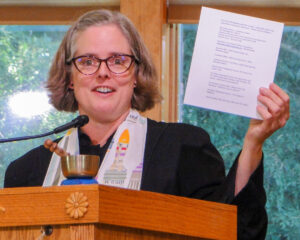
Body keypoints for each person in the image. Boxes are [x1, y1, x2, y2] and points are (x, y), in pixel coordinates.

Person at [4, 9, 289, 240]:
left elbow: (237, 232)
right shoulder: (26, 172)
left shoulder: (183, 148)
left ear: (137, 74)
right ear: (69, 77)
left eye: (118, 60)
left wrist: (253, 144)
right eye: (88, 61)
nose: (103, 72)